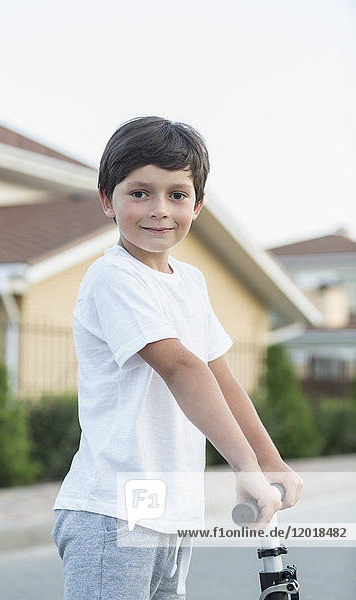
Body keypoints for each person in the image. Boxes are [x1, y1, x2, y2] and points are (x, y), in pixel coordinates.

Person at [52, 116, 303, 600]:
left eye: (177, 194)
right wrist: (243, 467)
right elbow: (182, 367)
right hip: (113, 513)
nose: (159, 210)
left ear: (199, 204)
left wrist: (269, 462)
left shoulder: (190, 283)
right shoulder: (114, 279)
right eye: (139, 192)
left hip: (171, 515)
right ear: (107, 200)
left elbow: (219, 376)